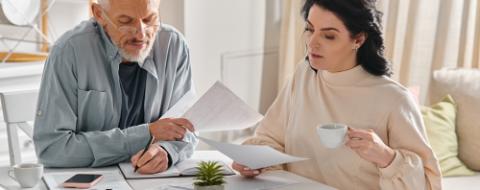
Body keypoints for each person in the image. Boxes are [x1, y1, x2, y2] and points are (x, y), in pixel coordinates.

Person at [232, 0, 441, 189]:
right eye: (309, 29)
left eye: (329, 35)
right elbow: (270, 138)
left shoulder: (394, 100)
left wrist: (387, 158)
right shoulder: (303, 75)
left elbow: (428, 183)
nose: (312, 42)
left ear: (358, 39)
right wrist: (253, 161)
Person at [33, 0, 197, 174]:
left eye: (150, 19)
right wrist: (145, 135)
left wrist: (167, 151)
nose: (141, 35)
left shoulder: (174, 46)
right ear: (98, 14)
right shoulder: (69, 51)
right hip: (92, 180)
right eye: (126, 22)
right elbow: (52, 149)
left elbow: (187, 130)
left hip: (151, 180)